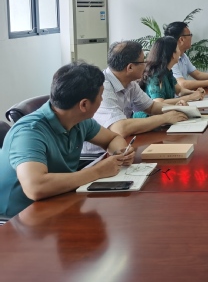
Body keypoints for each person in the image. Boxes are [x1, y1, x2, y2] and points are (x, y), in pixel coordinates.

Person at [0, 62, 135, 218]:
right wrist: (98, 171)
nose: (102, 99)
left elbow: (113, 138)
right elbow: (35, 187)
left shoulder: (79, 120)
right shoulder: (29, 132)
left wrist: (120, 153)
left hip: (56, 201)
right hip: (18, 217)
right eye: (101, 95)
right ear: (84, 104)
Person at [92, 41, 188, 140]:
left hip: (120, 143)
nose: (146, 65)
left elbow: (151, 107)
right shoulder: (102, 87)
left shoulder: (130, 84)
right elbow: (120, 128)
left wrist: (176, 109)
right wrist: (165, 118)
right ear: (130, 67)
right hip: (100, 149)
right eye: (143, 61)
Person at [133, 36, 205, 118]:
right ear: (173, 55)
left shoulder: (167, 71)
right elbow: (159, 103)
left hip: (163, 116)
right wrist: (190, 97)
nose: (180, 52)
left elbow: (180, 91)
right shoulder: (155, 76)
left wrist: (194, 93)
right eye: (178, 49)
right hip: (147, 119)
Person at [164, 21, 208, 91]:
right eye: (190, 35)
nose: (191, 37)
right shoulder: (171, 58)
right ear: (181, 39)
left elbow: (197, 74)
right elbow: (182, 84)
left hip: (183, 95)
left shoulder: (183, 56)